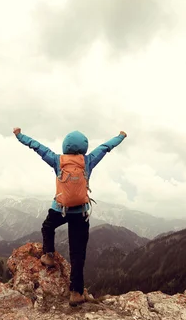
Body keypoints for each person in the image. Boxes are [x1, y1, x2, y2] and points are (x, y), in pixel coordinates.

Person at [13, 127, 127, 306]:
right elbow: (106, 147)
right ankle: (76, 293)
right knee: (77, 254)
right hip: (80, 212)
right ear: (84, 146)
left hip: (60, 208)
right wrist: (120, 136)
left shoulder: (57, 160)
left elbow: (37, 147)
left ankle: (49, 255)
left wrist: (19, 135)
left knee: (47, 227)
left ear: (65, 145)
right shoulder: (88, 160)